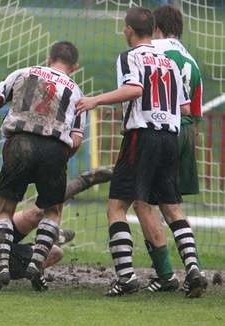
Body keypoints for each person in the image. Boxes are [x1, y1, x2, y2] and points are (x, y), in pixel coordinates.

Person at [76, 7, 206, 298]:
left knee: (116, 206)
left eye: (124, 28)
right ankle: (193, 269)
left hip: (142, 135)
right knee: (171, 207)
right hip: (170, 138)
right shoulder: (169, 62)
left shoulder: (129, 57)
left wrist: (95, 100)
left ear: (129, 30)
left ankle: (125, 277)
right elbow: (185, 108)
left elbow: (134, 89)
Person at [0, 41, 87, 292]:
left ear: (48, 57)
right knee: (52, 211)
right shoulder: (75, 91)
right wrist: (61, 158)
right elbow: (75, 140)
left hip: (19, 144)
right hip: (55, 149)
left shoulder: (22, 73)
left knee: (5, 210)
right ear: (75, 67)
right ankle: (36, 263)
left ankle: (2, 267)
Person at [151, 5, 207, 295]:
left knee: (141, 201)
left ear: (156, 26)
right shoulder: (190, 59)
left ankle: (163, 274)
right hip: (186, 132)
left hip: (162, 127)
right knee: (171, 204)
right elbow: (196, 112)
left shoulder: (153, 48)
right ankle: (194, 267)